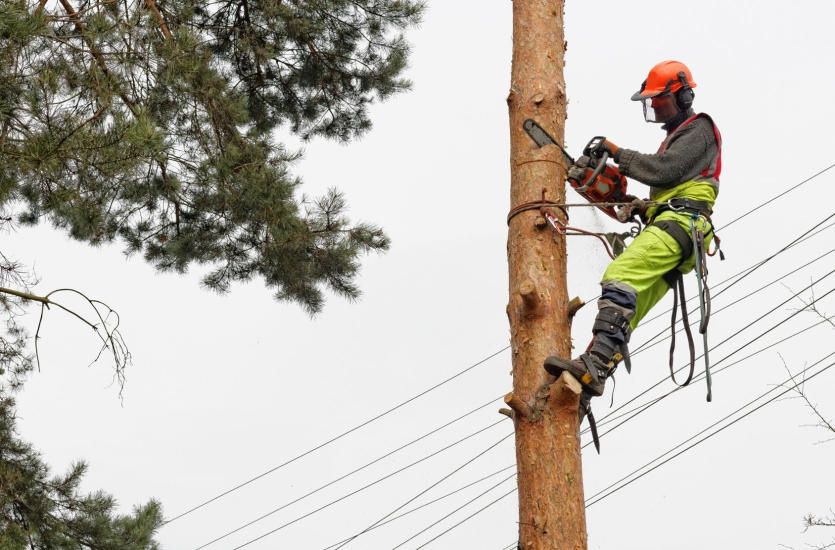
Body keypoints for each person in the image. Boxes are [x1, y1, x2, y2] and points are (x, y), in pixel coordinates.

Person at [543, 60, 723, 412]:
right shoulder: (675, 138)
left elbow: (665, 170)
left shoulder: (699, 128)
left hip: (681, 224)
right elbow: (665, 185)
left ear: (685, 95)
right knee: (632, 306)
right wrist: (629, 203)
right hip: (675, 225)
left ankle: (592, 368)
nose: (655, 106)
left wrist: (617, 153)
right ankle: (591, 376)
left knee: (620, 276)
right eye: (652, 100)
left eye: (661, 99)